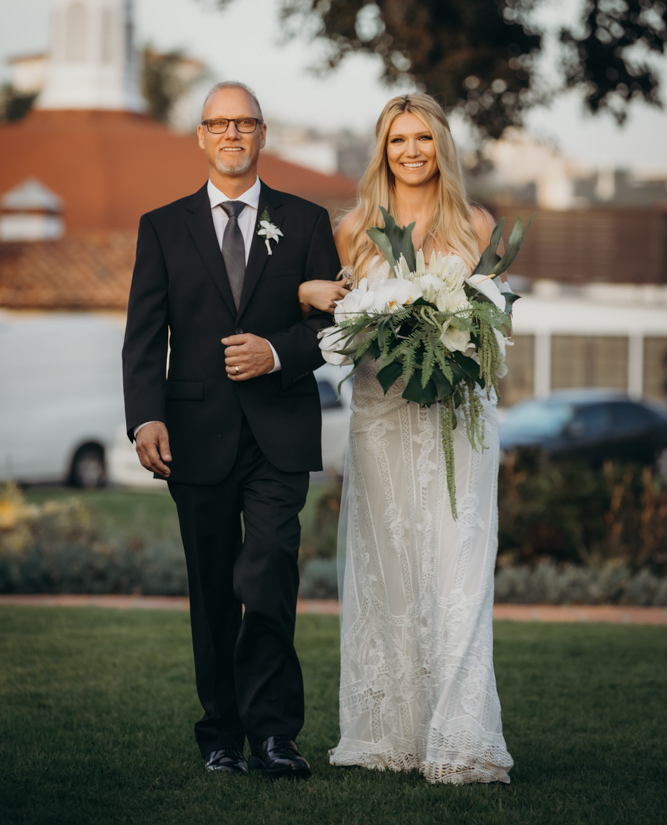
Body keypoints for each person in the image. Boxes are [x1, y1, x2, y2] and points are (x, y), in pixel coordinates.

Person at [122, 81, 340, 777]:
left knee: (269, 573)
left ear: (262, 134)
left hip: (280, 431)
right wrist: (145, 414)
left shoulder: (306, 221)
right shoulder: (162, 225)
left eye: (245, 122)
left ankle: (274, 734)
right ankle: (219, 734)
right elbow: (144, 333)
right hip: (194, 432)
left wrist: (276, 351)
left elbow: (334, 323)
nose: (232, 134)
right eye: (219, 124)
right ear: (201, 137)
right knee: (212, 587)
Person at [298, 93, 514, 785]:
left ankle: (460, 736)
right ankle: (386, 732)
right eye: (397, 140)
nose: (411, 151)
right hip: (381, 416)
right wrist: (311, 293)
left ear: (441, 146)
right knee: (387, 570)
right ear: (381, 149)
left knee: (457, 572)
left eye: (422, 138)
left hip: (459, 420)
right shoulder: (352, 229)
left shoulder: (475, 224)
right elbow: (333, 323)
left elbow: (493, 329)